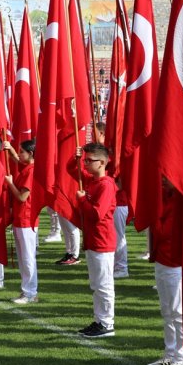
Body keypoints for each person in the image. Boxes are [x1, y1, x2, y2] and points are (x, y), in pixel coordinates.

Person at [144, 177, 183, 365]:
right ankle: (171, 354)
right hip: (163, 257)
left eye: (167, 176)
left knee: (177, 311)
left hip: (177, 261)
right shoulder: (164, 195)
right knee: (167, 310)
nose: (162, 179)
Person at [75, 143, 117, 338]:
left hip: (102, 240)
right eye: (85, 160)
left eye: (89, 161)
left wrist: (83, 200)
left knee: (104, 284)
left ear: (101, 163)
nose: (85, 164)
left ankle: (107, 323)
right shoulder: (92, 181)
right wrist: (75, 158)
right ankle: (99, 319)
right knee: (96, 284)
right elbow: (71, 170)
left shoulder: (106, 185)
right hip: (92, 240)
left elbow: (97, 214)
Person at [4, 139, 39, 304]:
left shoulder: (31, 171)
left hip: (27, 220)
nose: (19, 154)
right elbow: (18, 161)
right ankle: (27, 291)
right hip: (20, 219)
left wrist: (10, 184)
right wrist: (10, 148)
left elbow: (22, 197)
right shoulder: (27, 168)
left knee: (27, 258)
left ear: (31, 154)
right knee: (23, 258)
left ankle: (30, 293)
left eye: (21, 151)